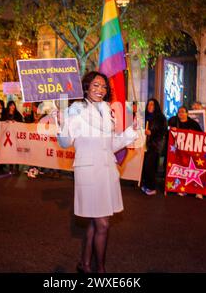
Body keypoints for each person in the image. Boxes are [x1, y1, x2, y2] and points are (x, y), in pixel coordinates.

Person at [55, 71, 139, 273]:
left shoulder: (106, 109)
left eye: (103, 87)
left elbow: (110, 144)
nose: (100, 90)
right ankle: (100, 270)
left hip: (107, 170)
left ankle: (85, 265)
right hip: (88, 172)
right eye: (95, 85)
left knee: (95, 221)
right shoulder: (76, 109)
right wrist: (61, 124)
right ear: (86, 87)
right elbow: (66, 142)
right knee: (103, 224)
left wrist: (131, 132)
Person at [167, 106, 203, 198]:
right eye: (179, 112)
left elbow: (201, 135)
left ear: (187, 113)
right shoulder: (175, 122)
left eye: (183, 112)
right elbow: (168, 130)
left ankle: (198, 191)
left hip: (192, 151)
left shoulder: (193, 123)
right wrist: (172, 130)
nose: (181, 114)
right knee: (183, 170)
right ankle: (183, 189)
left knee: (194, 170)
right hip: (180, 152)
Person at [140, 98, 167, 196]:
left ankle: (151, 187)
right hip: (144, 145)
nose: (150, 106)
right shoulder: (145, 116)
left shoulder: (160, 117)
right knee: (144, 166)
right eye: (148, 105)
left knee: (150, 166)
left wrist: (152, 132)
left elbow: (162, 131)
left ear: (156, 106)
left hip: (155, 145)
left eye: (152, 104)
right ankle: (146, 185)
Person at [3, 101, 24, 174]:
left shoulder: (18, 114)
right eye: (11, 105)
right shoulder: (5, 114)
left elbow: (21, 122)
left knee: (16, 151)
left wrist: (16, 122)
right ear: (8, 106)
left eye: (14, 105)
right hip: (7, 135)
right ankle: (11, 168)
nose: (13, 107)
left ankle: (17, 168)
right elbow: (2, 122)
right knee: (10, 151)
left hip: (16, 135)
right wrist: (6, 122)